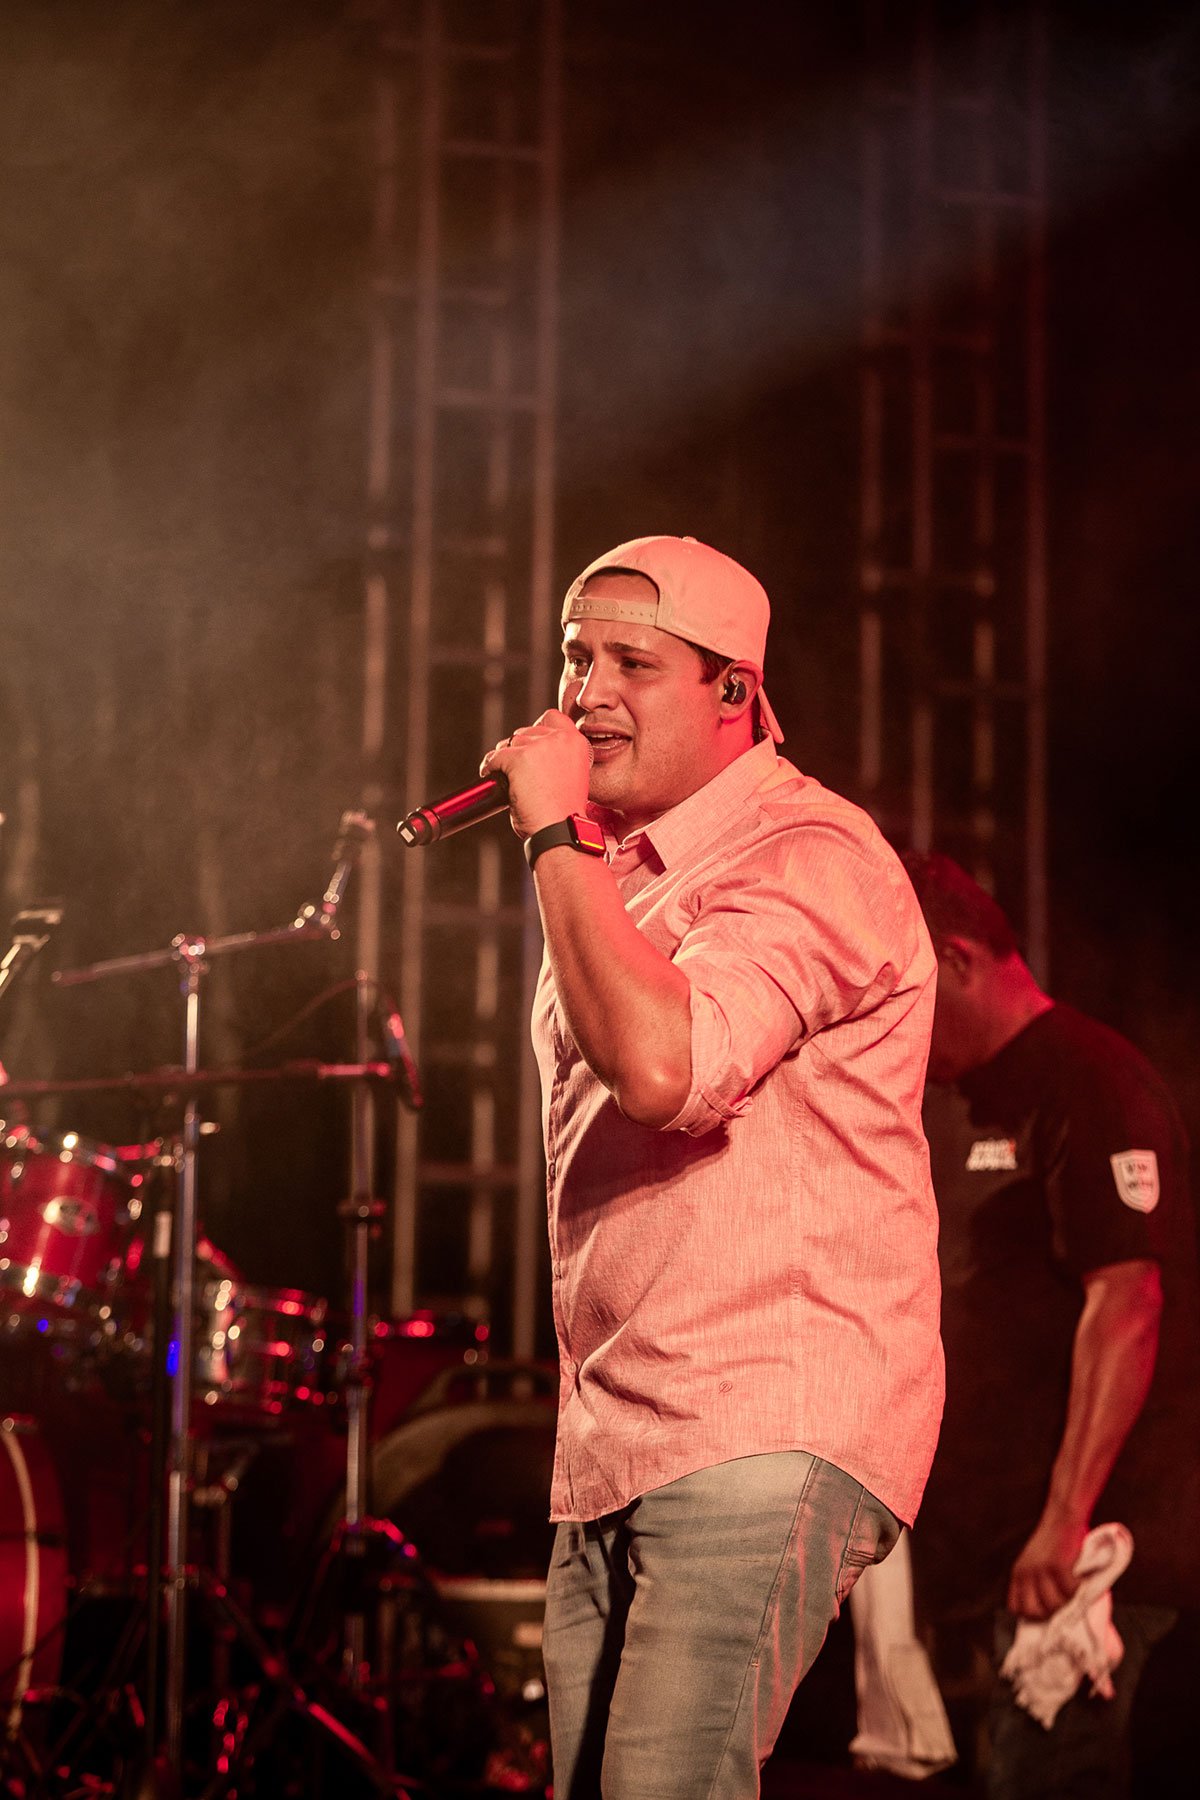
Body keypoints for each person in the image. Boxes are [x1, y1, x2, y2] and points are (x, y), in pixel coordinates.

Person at [480, 535, 944, 1798]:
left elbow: (664, 1072)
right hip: (625, 1428)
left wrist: (551, 835)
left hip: (758, 1415)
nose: (588, 694)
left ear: (735, 689)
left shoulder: (808, 856)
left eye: (634, 663)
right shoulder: (619, 872)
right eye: (577, 658)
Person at [903, 851, 1200, 1800]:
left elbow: (1129, 1300)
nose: (891, 1018)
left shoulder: (1090, 1077)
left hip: (1087, 1567)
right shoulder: (952, 1100)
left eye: (903, 987)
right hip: (989, 1562)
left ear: (955, 959)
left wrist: (1066, 1523)